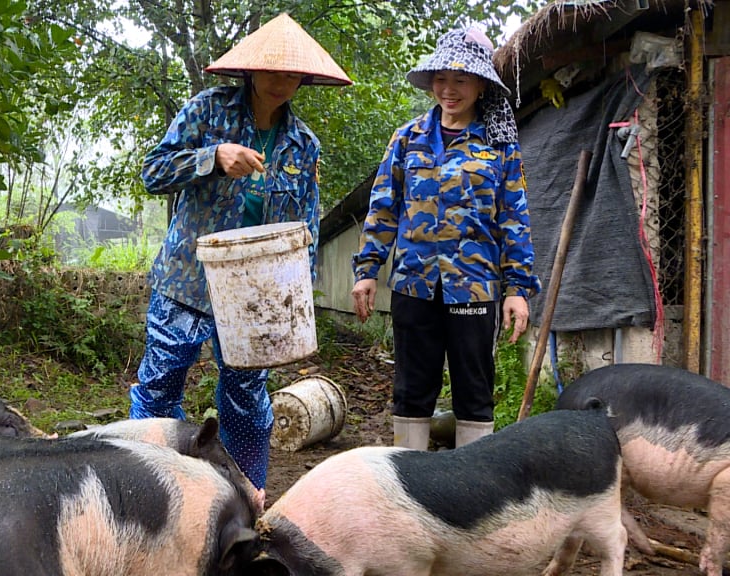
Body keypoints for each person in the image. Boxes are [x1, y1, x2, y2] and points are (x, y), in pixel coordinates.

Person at [132, 13, 351, 505]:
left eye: (292, 74)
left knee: (247, 400)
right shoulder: (206, 112)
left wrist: (298, 297)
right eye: (273, 71)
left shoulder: (303, 144)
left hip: (258, 293)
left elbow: (305, 229)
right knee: (161, 382)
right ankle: (141, 488)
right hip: (188, 280)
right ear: (251, 71)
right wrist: (213, 157)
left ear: (304, 79)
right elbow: (153, 171)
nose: (282, 82)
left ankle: (246, 498)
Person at [351, 26, 540, 451]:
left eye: (461, 80)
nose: (449, 90)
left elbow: (514, 218)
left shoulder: (499, 146)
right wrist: (367, 271)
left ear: (480, 85)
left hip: (473, 285)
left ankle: (471, 490)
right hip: (413, 284)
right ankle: (409, 482)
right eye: (441, 79)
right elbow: (383, 208)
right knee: (412, 387)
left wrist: (518, 289)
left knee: (474, 389)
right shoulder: (407, 138)